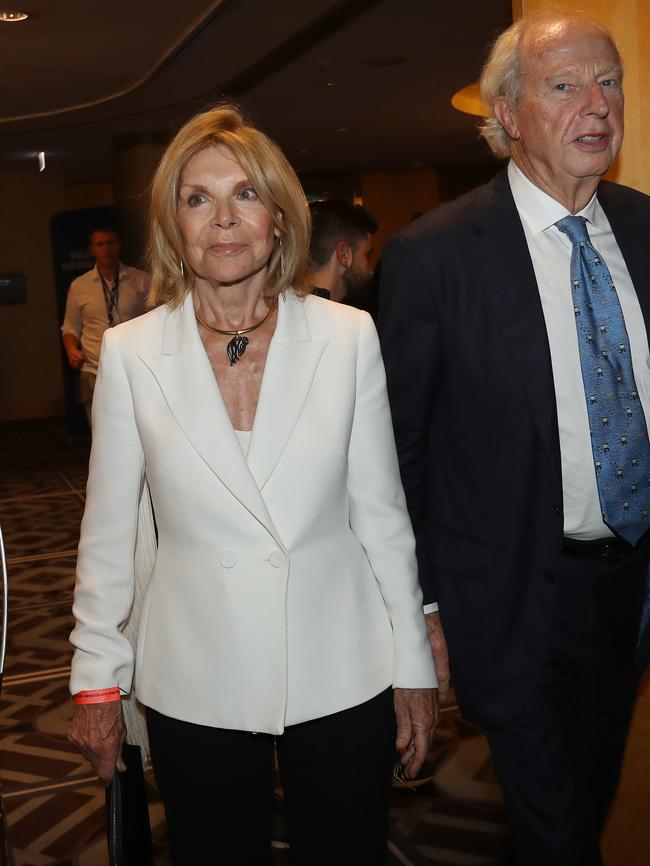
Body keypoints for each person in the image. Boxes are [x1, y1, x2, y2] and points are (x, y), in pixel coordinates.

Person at [67, 104, 437, 866]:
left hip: (342, 663)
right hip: (195, 671)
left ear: (278, 216)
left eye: (245, 194)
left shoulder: (346, 338)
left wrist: (414, 666)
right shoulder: (134, 356)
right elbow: (107, 535)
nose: (224, 219)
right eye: (198, 198)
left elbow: (382, 519)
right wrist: (97, 682)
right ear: (174, 225)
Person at [379, 13, 650, 866]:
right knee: (558, 830)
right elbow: (398, 456)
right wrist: (417, 610)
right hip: (510, 602)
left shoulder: (646, 231)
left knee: (589, 798)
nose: (595, 104)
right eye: (564, 86)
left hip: (632, 595)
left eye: (607, 81)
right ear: (507, 116)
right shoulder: (436, 256)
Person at [61, 226, 150, 424]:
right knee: (101, 434)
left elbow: (158, 321)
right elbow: (70, 327)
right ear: (92, 249)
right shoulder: (79, 286)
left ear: (119, 246)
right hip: (94, 370)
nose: (106, 249)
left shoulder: (142, 280)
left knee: (138, 429)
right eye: (100, 244)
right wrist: (70, 349)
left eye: (111, 243)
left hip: (135, 369)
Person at [308, 198, 377, 307]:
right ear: (344, 254)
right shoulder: (356, 321)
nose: (370, 271)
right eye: (367, 256)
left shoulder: (281, 312)